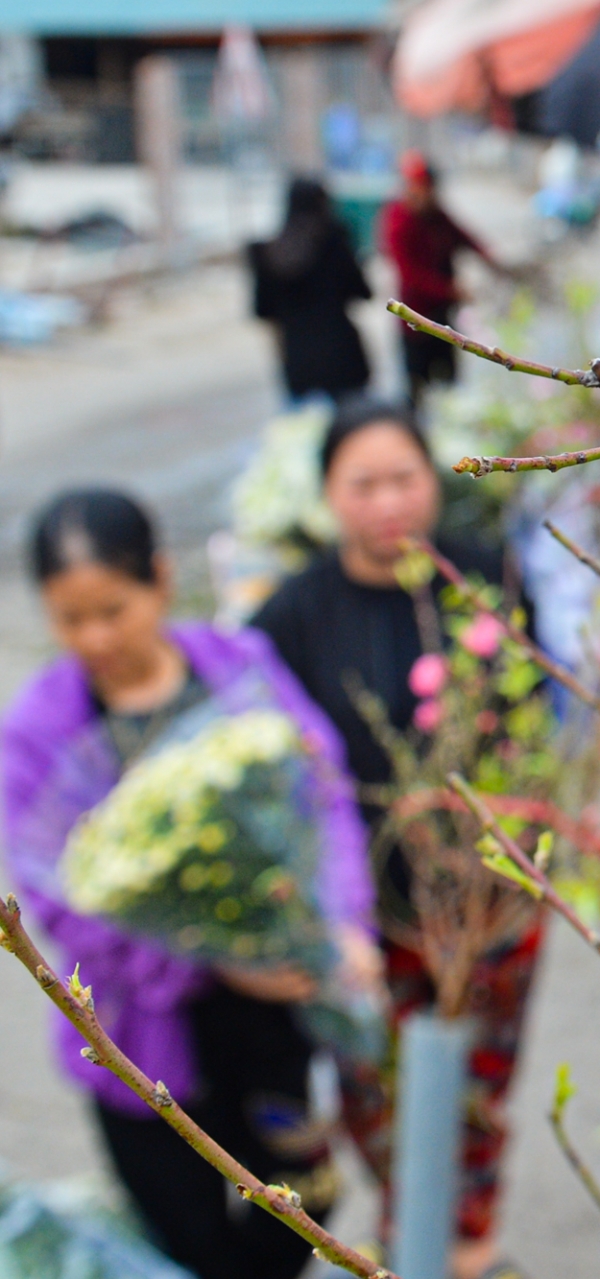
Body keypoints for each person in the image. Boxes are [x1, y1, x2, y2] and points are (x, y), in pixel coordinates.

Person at [1, 490, 378, 1279]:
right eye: (71, 619)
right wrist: (211, 958)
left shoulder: (234, 667)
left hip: (276, 1011)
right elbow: (61, 905)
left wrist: (343, 920)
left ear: (162, 580)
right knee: (191, 1238)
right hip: (141, 1038)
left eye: (114, 608)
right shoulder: (37, 729)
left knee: (305, 1205)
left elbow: (323, 791)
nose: (96, 636)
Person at [252, 399, 535, 1279]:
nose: (389, 503)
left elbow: (531, 725)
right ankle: (416, 1239)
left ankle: (466, 1251)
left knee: (479, 1095)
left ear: (433, 479)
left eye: (404, 478)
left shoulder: (485, 578)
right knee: (379, 1097)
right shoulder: (290, 618)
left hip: (487, 906)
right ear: (327, 495)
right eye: (363, 483)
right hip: (363, 923)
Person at [381, 150, 499, 411]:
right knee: (416, 388)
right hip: (416, 319)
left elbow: (461, 235)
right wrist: (451, 290)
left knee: (449, 384)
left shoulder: (435, 215)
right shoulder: (398, 220)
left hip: (444, 315)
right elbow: (409, 274)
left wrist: (489, 258)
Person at [249, 176, 373, 405]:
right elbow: (362, 291)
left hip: (297, 362)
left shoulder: (267, 252)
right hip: (342, 358)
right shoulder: (334, 240)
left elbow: (262, 310)